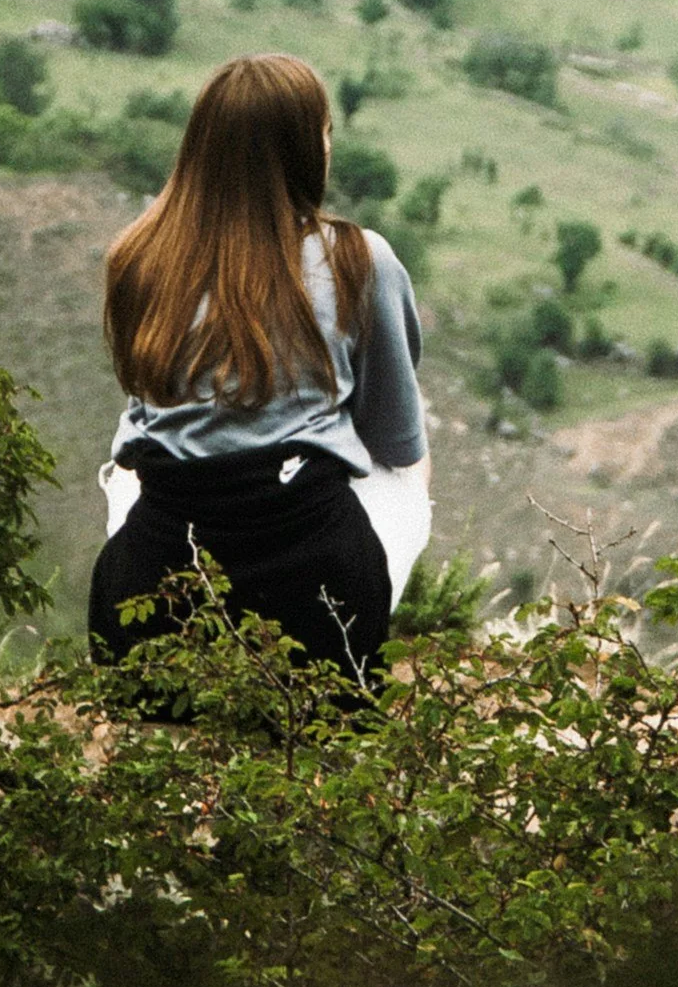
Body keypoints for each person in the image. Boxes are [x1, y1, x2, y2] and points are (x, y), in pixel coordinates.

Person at [89, 52, 431, 682]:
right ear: (306, 149)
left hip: (145, 603)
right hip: (317, 614)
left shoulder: (137, 257)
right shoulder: (360, 259)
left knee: (129, 451)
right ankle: (367, 630)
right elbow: (396, 441)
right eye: (324, 133)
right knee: (405, 475)